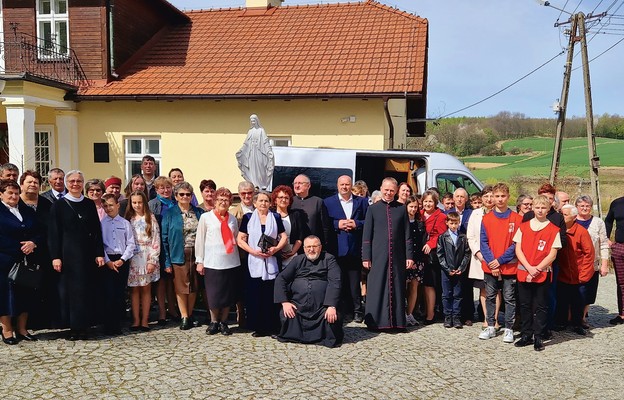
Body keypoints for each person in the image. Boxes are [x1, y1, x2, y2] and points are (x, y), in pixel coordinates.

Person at [48, 170, 105, 340]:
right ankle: (73, 327)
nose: (75, 184)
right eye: (72, 181)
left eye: (79, 181)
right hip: (67, 255)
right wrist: (55, 256)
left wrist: (99, 253)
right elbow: (53, 233)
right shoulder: (59, 205)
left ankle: (85, 326)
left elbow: (96, 231)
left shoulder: (88, 204)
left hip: (87, 255)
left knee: (86, 291)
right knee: (71, 293)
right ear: (66, 184)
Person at [361, 177, 413, 331]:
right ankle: (376, 322)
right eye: (386, 190)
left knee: (397, 287)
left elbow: (407, 235)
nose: (389, 193)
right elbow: (366, 235)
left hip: (397, 256)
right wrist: (366, 257)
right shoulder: (373, 209)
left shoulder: (401, 209)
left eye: (392, 190)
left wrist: (409, 256)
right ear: (381, 188)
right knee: (377, 287)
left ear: (396, 191)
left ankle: (397, 322)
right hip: (377, 255)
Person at [274, 235, 343, 347]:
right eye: (308, 247)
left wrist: (331, 306)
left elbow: (335, 281)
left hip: (321, 308)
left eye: (315, 246)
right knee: (285, 314)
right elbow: (281, 279)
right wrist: (285, 302)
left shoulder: (329, 259)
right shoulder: (297, 260)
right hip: (298, 306)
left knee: (332, 318)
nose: (311, 249)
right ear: (304, 248)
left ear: (320, 247)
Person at [513, 195, 562, 351]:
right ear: (532, 208)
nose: (540, 210)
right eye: (537, 207)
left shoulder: (554, 229)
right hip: (524, 272)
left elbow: (552, 254)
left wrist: (537, 269)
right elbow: (518, 249)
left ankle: (539, 336)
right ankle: (526, 334)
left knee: (540, 306)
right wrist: (528, 267)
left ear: (548, 209)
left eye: (543, 208)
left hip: (542, 273)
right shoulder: (524, 226)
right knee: (525, 305)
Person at [237, 191, 288, 337]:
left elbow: (283, 236)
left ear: (270, 203)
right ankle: (258, 327)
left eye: (266, 201)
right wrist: (252, 251)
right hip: (254, 261)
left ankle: (273, 326)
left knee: (270, 295)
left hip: (271, 259)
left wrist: (276, 249)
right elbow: (240, 239)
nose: (263, 203)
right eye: (260, 201)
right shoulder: (248, 218)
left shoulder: (276, 217)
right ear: (255, 203)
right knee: (255, 295)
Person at [478, 182, 522, 343]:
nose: (500, 199)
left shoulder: (517, 219)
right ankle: (490, 325)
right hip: (490, 265)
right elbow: (483, 242)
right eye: (497, 196)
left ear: (508, 197)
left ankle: (509, 329)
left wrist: (500, 261)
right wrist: (492, 262)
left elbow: (516, 244)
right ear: (493, 197)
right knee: (490, 296)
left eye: (503, 196)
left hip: (508, 265)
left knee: (509, 297)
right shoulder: (486, 219)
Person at [522, 183, 567, 337]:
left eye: (549, 198)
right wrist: (529, 264)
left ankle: (545, 328)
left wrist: (543, 261)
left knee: (546, 298)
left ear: (551, 202)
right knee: (526, 301)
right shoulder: (528, 217)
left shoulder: (557, 218)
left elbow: (561, 241)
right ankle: (527, 331)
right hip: (527, 265)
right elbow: (522, 242)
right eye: (543, 198)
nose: (542, 207)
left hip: (547, 264)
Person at [195, 187, 241, 336]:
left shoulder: (232, 219)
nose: (223, 202)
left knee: (228, 295)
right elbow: (199, 240)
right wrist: (199, 261)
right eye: (220, 199)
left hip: (231, 261)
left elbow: (235, 237)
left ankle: (224, 322)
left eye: (226, 200)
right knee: (214, 294)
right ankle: (214, 321)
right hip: (212, 262)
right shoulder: (205, 218)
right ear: (214, 201)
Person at [0, 180, 40, 344]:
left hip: (26, 261)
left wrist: (33, 243)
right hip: (5, 259)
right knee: (5, 295)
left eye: (16, 193)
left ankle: (22, 329)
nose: (14, 196)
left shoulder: (26, 210)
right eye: (10, 193)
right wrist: (17, 248)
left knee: (26, 293)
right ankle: (7, 329)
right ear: (1, 194)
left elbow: (40, 231)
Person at [324, 175, 368, 323]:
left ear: (351, 185)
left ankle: (357, 310)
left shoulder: (361, 202)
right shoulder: (328, 202)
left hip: (355, 248)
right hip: (336, 248)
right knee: (337, 281)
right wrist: (337, 224)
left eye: (347, 184)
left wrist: (356, 224)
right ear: (337, 186)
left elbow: (367, 221)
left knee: (355, 282)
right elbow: (325, 222)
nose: (344, 187)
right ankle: (340, 310)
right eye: (342, 184)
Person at [162, 182, 204, 330]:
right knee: (181, 287)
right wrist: (166, 262)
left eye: (188, 194)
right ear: (176, 196)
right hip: (178, 253)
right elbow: (164, 238)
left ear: (192, 196)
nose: (185, 197)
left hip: (197, 253)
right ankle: (184, 316)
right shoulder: (170, 213)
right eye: (182, 194)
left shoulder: (199, 213)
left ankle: (190, 313)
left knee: (194, 286)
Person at [18, 170, 55, 329]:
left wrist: (35, 242)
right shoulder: (14, 202)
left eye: (36, 182)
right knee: (21, 290)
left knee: (43, 288)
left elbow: (51, 230)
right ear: (21, 184)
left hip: (43, 252)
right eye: (29, 182)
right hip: (18, 254)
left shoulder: (47, 204)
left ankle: (40, 321)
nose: (33, 185)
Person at [99, 193, 136, 335]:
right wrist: (108, 261)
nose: (108, 208)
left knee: (119, 293)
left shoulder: (125, 223)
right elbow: (100, 244)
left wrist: (123, 259)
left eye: (111, 205)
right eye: (106, 206)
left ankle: (117, 324)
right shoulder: (101, 223)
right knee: (108, 293)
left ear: (118, 205)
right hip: (108, 260)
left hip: (121, 260)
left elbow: (131, 243)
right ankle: (108, 325)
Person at [555, 204, 595, 336]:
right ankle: (561, 322)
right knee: (562, 299)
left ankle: (577, 323)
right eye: (561, 214)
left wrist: (584, 274)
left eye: (565, 215)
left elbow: (589, 253)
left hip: (579, 274)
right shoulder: (558, 230)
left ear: (573, 217)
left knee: (578, 301)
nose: (562, 217)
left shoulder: (581, 232)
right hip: (563, 274)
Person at [126, 190, 160, 331]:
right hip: (133, 257)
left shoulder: (150, 218)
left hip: (147, 256)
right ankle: (136, 320)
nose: (137, 205)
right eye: (134, 202)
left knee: (146, 289)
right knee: (134, 290)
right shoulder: (129, 219)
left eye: (140, 202)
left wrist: (152, 260)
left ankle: (145, 320)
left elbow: (155, 239)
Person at [467, 186, 500, 329]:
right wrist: (479, 254)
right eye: (485, 196)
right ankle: (487, 318)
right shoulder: (475, 214)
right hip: (480, 258)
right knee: (484, 290)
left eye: (491, 196)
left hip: (496, 258)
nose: (488, 199)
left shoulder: (500, 213)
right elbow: (471, 236)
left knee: (496, 290)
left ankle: (496, 319)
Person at [575, 195, 609, 328]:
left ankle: (582, 318)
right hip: (574, 264)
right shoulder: (571, 220)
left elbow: (604, 244)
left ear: (591, 207)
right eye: (582, 206)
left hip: (591, 264)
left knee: (587, 292)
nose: (584, 208)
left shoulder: (598, 222)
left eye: (587, 206)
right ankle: (570, 317)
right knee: (572, 291)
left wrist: (604, 264)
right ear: (577, 207)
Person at [148, 176, 179, 324]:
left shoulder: (176, 203)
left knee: (172, 280)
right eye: (162, 188)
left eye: (168, 187)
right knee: (160, 281)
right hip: (158, 245)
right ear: (156, 189)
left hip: (174, 245)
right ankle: (161, 312)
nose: (166, 190)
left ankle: (173, 309)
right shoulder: (152, 205)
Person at [437, 212, 471, 329]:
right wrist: (447, 269)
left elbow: (467, 254)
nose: (453, 226)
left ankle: (456, 317)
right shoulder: (442, 237)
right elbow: (440, 255)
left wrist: (461, 268)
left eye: (455, 223)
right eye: (451, 223)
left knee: (458, 294)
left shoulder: (463, 237)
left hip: (459, 271)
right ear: (447, 223)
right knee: (446, 294)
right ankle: (447, 316)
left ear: (459, 223)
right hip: (446, 271)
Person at [447, 187, 474, 325]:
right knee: (451, 287)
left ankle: (467, 315)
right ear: (453, 198)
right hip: (451, 254)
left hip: (466, 253)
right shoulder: (448, 213)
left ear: (466, 199)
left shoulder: (472, 214)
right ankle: (451, 314)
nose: (459, 199)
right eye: (457, 196)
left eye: (462, 197)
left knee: (466, 286)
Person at [421, 190, 447, 324]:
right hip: (419, 253)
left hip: (431, 255)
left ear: (435, 202)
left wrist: (431, 244)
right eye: (425, 201)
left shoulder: (441, 217)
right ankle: (423, 310)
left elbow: (442, 236)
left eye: (430, 201)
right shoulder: (419, 214)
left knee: (429, 284)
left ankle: (430, 314)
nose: (427, 204)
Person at [291, 174, 333, 251]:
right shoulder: (290, 202)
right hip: (293, 246)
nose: (296, 186)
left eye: (300, 183)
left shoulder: (318, 202)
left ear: (308, 185)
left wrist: (324, 246)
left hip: (312, 247)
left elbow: (325, 227)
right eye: (295, 183)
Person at [235, 114, 274, 190]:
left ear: (257, 121)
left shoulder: (261, 130)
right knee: (252, 168)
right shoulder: (250, 131)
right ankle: (254, 184)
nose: (252, 122)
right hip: (252, 152)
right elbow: (246, 143)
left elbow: (265, 142)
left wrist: (269, 151)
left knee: (261, 167)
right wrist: (241, 151)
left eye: (254, 120)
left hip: (260, 152)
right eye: (251, 121)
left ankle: (262, 183)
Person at [272, 185, 307, 268]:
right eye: (280, 197)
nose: (283, 200)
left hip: (291, 255)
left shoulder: (296, 215)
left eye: (286, 198)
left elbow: (300, 236)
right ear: (275, 200)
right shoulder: (270, 215)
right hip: (273, 254)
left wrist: (293, 252)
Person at [405, 195, 426, 326]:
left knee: (414, 287)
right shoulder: (402, 221)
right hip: (405, 259)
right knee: (402, 287)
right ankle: (401, 312)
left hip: (417, 259)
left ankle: (410, 313)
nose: (413, 209)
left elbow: (421, 241)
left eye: (415, 207)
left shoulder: (420, 223)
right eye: (411, 206)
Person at [606, 195, 624, 324]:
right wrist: (606, 238)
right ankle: (622, 314)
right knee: (621, 283)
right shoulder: (617, 203)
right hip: (619, 247)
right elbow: (608, 221)